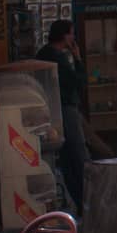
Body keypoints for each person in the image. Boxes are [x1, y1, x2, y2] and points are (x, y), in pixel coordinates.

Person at [36, 20, 88, 215]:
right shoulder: (58, 58)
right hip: (65, 110)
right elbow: (78, 81)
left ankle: (80, 200)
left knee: (68, 158)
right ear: (64, 36)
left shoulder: (44, 53)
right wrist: (78, 59)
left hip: (53, 110)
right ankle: (85, 201)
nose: (73, 38)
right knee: (77, 156)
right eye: (71, 34)